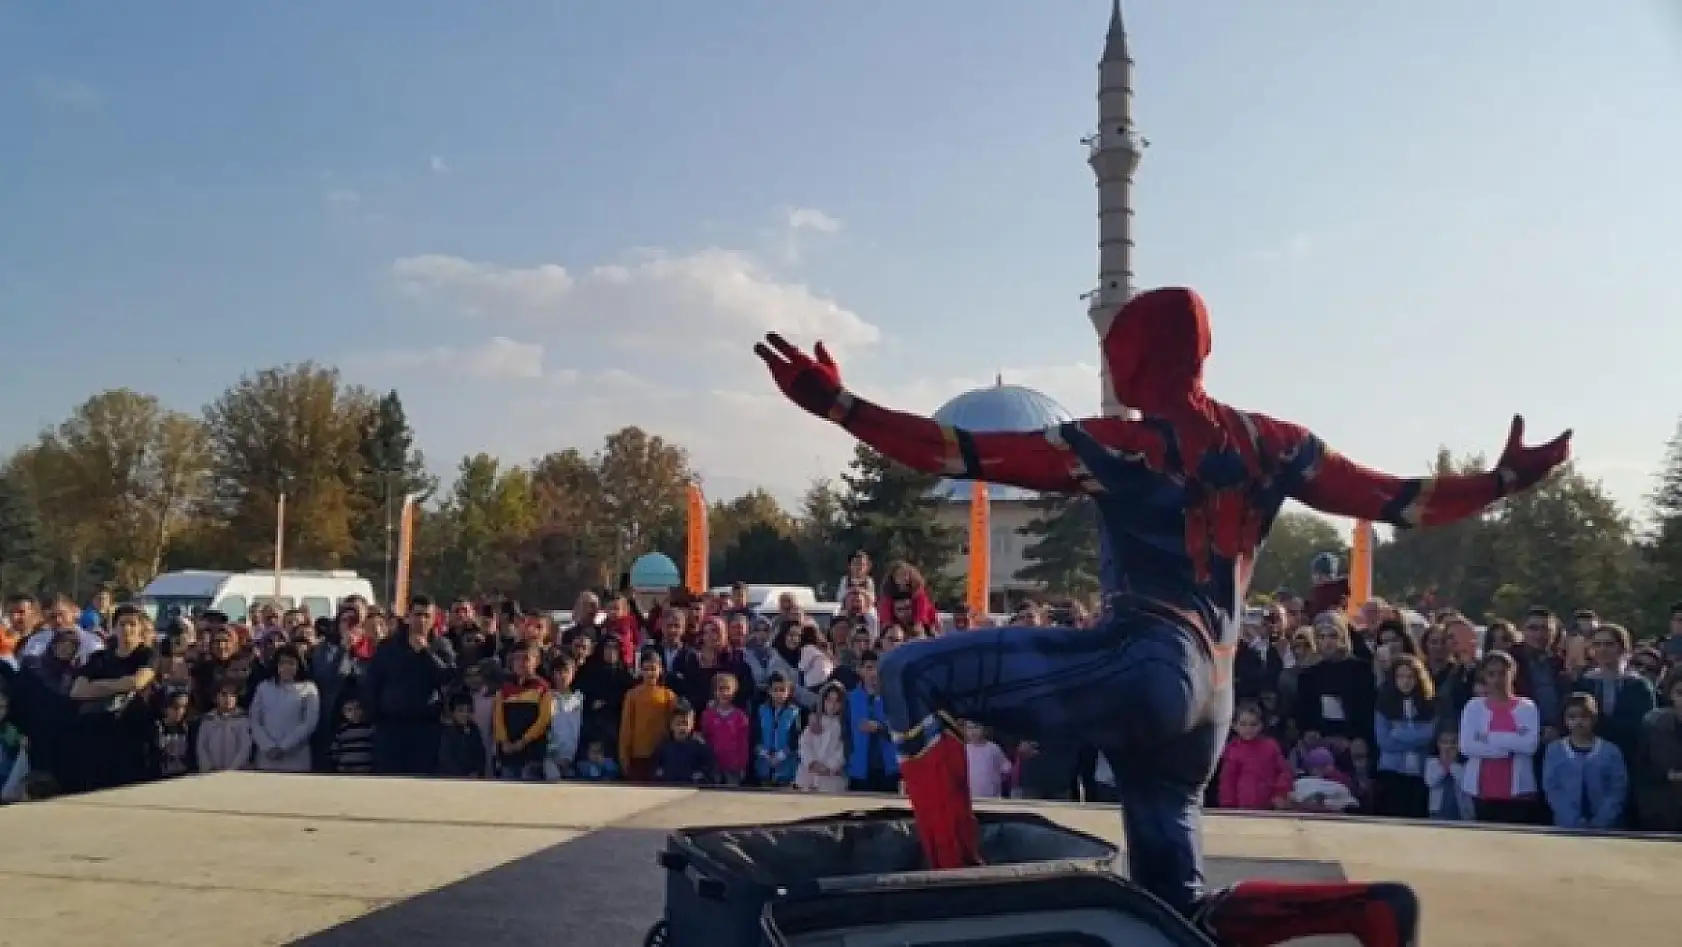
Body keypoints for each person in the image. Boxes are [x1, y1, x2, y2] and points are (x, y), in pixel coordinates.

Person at [755, 285, 1570, 946]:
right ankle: (1361, 911)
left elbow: (955, 451)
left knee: (909, 671)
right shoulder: (1277, 443)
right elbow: (1400, 499)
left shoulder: (1122, 444)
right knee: (1174, 906)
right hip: (1206, 697)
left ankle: (962, 898)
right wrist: (1500, 482)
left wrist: (839, 405)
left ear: (1133, 356)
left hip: (1146, 656)